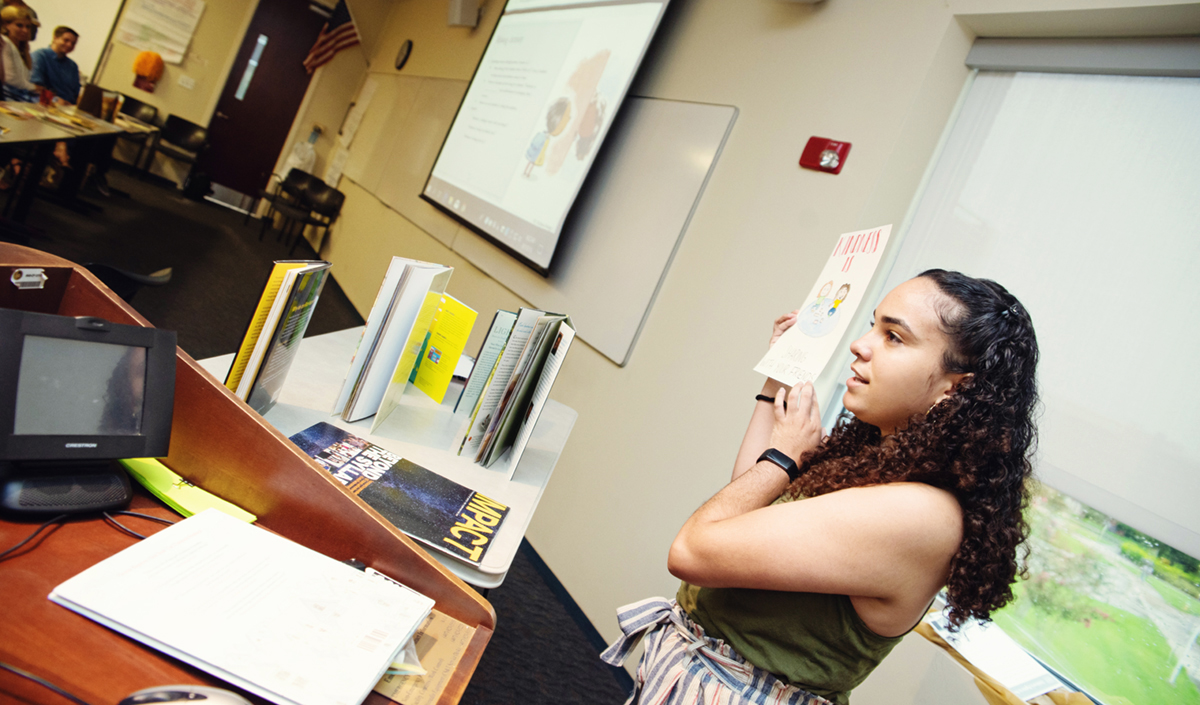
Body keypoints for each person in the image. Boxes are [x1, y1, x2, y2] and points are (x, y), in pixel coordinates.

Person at [601, 269, 1039, 705]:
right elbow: (747, 503)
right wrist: (777, 378)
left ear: (955, 387)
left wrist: (784, 458)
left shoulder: (921, 513)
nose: (860, 344)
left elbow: (693, 551)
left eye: (894, 337)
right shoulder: (877, 462)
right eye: (873, 324)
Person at [30, 25, 79, 104]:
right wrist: (55, 100)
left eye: (73, 43)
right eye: (66, 40)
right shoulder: (40, 56)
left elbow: (75, 93)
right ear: (55, 38)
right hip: (44, 104)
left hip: (67, 108)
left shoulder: (73, 66)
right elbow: (34, 87)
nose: (69, 45)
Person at [0, 5, 38, 102]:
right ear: (6, 25)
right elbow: (9, 79)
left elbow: (26, 78)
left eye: (28, 26)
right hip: (7, 96)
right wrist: (34, 88)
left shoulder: (22, 49)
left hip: (19, 96)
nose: (25, 30)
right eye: (19, 25)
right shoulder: (4, 43)